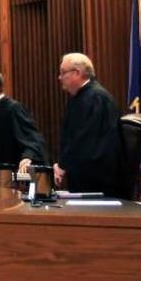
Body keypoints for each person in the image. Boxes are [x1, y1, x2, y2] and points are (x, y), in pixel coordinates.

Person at [54, 53, 122, 195]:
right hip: (84, 179)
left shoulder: (96, 98)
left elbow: (86, 139)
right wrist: (62, 163)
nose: (60, 77)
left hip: (97, 183)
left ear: (77, 73)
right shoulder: (80, 97)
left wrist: (63, 165)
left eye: (63, 72)